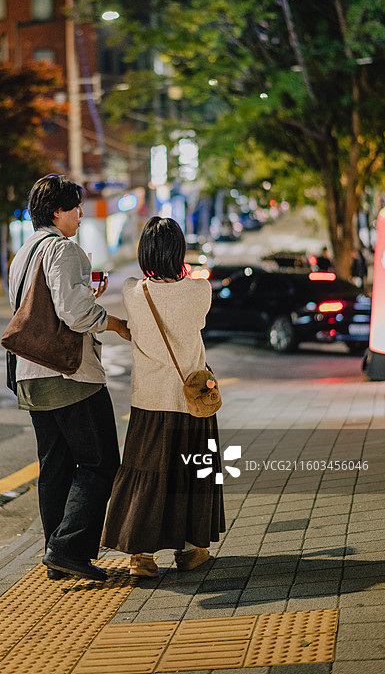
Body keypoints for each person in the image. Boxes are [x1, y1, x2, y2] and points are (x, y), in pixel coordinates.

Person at [8, 174, 131, 582]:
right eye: (75, 207)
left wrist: (84, 299)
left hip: (29, 374)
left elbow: (39, 312)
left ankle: (57, 554)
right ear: (58, 212)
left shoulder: (23, 253)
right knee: (100, 463)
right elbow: (74, 315)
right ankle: (68, 548)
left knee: (55, 466)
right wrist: (114, 322)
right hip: (69, 375)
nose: (81, 214)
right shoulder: (65, 250)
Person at [102, 217, 225, 577]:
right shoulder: (200, 292)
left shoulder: (132, 291)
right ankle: (189, 551)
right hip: (192, 400)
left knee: (146, 473)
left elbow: (137, 330)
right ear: (178, 251)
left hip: (148, 402)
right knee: (193, 473)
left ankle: (141, 557)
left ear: (145, 252)